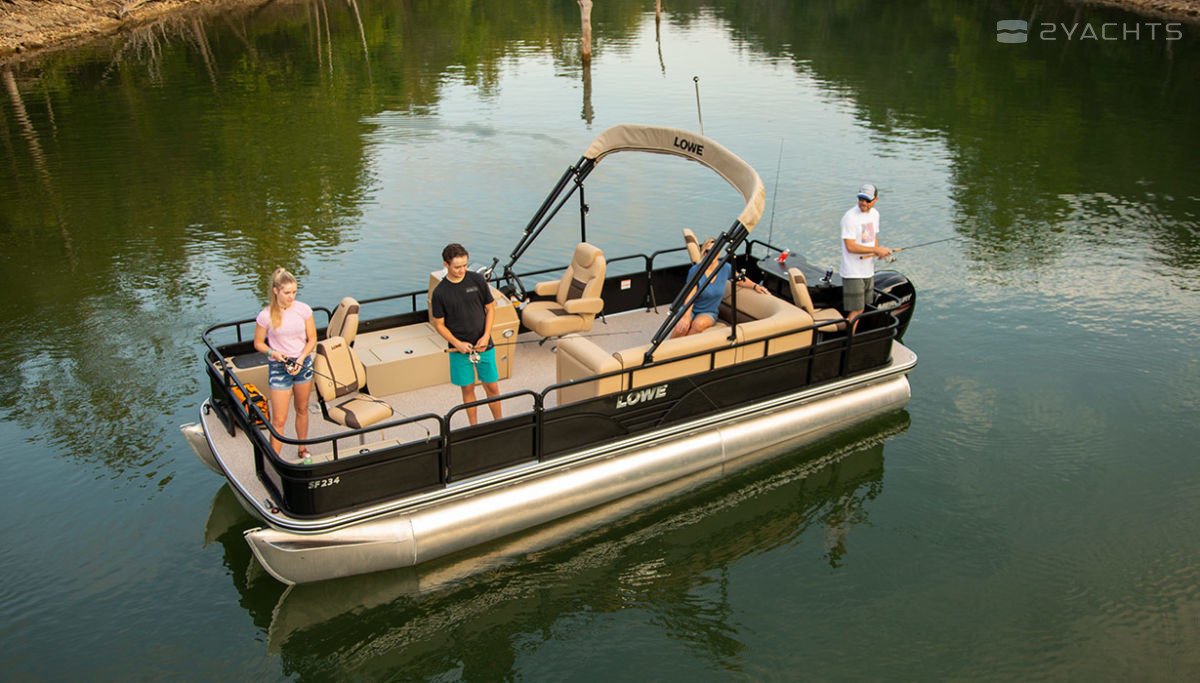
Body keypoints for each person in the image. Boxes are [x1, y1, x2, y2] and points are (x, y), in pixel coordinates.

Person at [431, 243, 503, 425]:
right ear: (446, 264)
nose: (462, 270)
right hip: (459, 350)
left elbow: (490, 308)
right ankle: (473, 427)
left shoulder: (477, 280)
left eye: (465, 265)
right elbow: (439, 324)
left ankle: (500, 423)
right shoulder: (440, 293)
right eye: (457, 267)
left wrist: (486, 336)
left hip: (485, 344)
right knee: (468, 389)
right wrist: (457, 343)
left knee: (492, 387)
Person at [253, 268, 318, 458]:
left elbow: (312, 339)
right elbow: (258, 343)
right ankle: (275, 458)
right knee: (279, 419)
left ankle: (302, 449)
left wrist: (301, 358)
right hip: (279, 367)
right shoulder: (265, 315)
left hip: (302, 364)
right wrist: (273, 352)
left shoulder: (303, 310)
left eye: (294, 292)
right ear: (276, 291)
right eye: (287, 292)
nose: (291, 296)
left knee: (302, 409)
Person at [671, 237, 769, 338]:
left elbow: (740, 280)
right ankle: (667, 347)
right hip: (690, 308)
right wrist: (686, 316)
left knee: (698, 324)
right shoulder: (695, 270)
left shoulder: (725, 268)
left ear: (719, 253)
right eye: (708, 251)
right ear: (704, 253)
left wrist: (755, 286)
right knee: (681, 328)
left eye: (715, 251)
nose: (712, 254)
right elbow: (690, 295)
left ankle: (684, 347)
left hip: (709, 312)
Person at [839, 183, 892, 332]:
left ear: (875, 200)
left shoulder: (875, 214)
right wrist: (876, 249)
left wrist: (878, 252)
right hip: (853, 272)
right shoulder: (850, 218)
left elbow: (873, 237)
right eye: (861, 199)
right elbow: (850, 246)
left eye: (867, 200)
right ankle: (848, 340)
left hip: (868, 270)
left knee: (862, 308)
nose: (863, 203)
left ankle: (849, 336)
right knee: (856, 310)